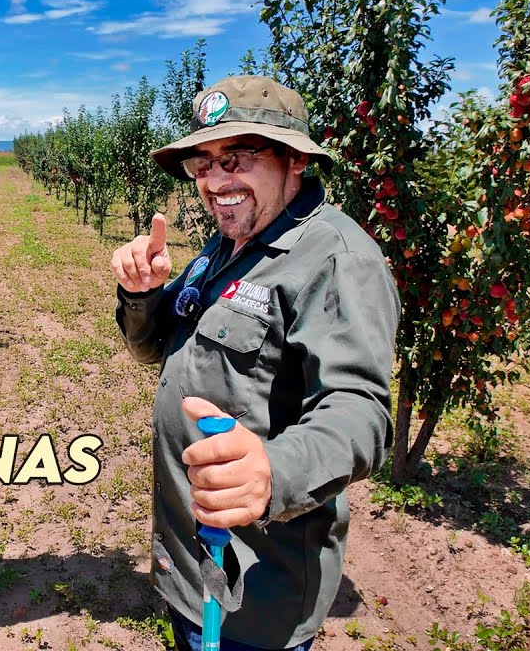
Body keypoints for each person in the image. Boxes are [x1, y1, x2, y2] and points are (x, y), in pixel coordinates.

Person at [110, 76, 399, 650]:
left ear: (293, 159)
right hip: (193, 568)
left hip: (256, 594)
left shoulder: (335, 259)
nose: (216, 181)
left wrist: (275, 471)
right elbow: (155, 350)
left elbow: (361, 410)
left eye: (237, 158)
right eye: (203, 162)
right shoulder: (228, 246)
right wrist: (141, 296)